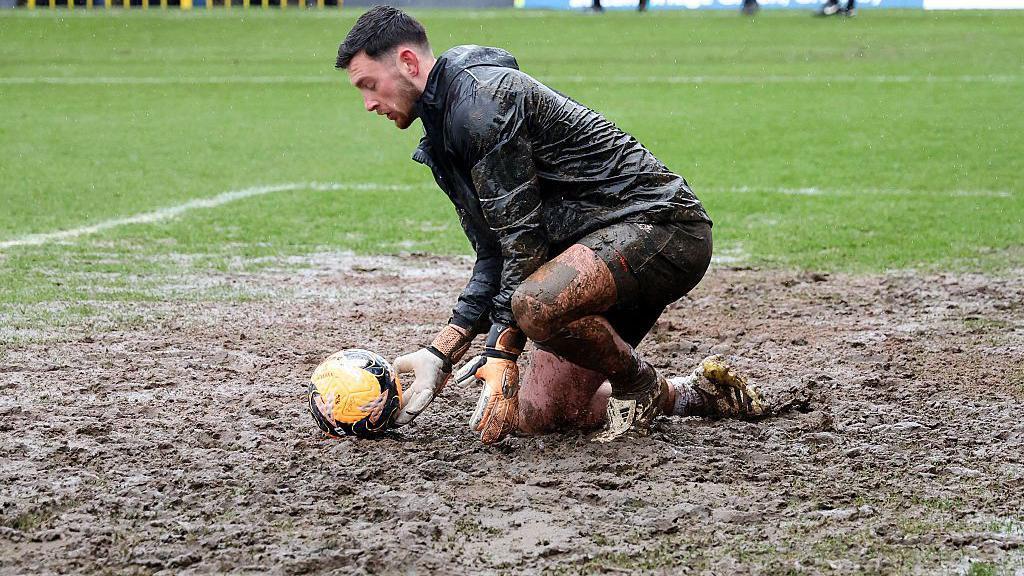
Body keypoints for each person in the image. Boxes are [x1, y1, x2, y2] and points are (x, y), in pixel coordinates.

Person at [332, 6, 766, 444]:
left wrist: (501, 350)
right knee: (544, 413)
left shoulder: (481, 105)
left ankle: (639, 383)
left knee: (535, 304)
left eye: (370, 85)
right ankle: (695, 395)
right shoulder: (445, 131)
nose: (368, 103)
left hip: (664, 227)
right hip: (598, 250)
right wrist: (440, 352)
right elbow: (496, 254)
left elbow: (524, 249)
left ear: (408, 62)